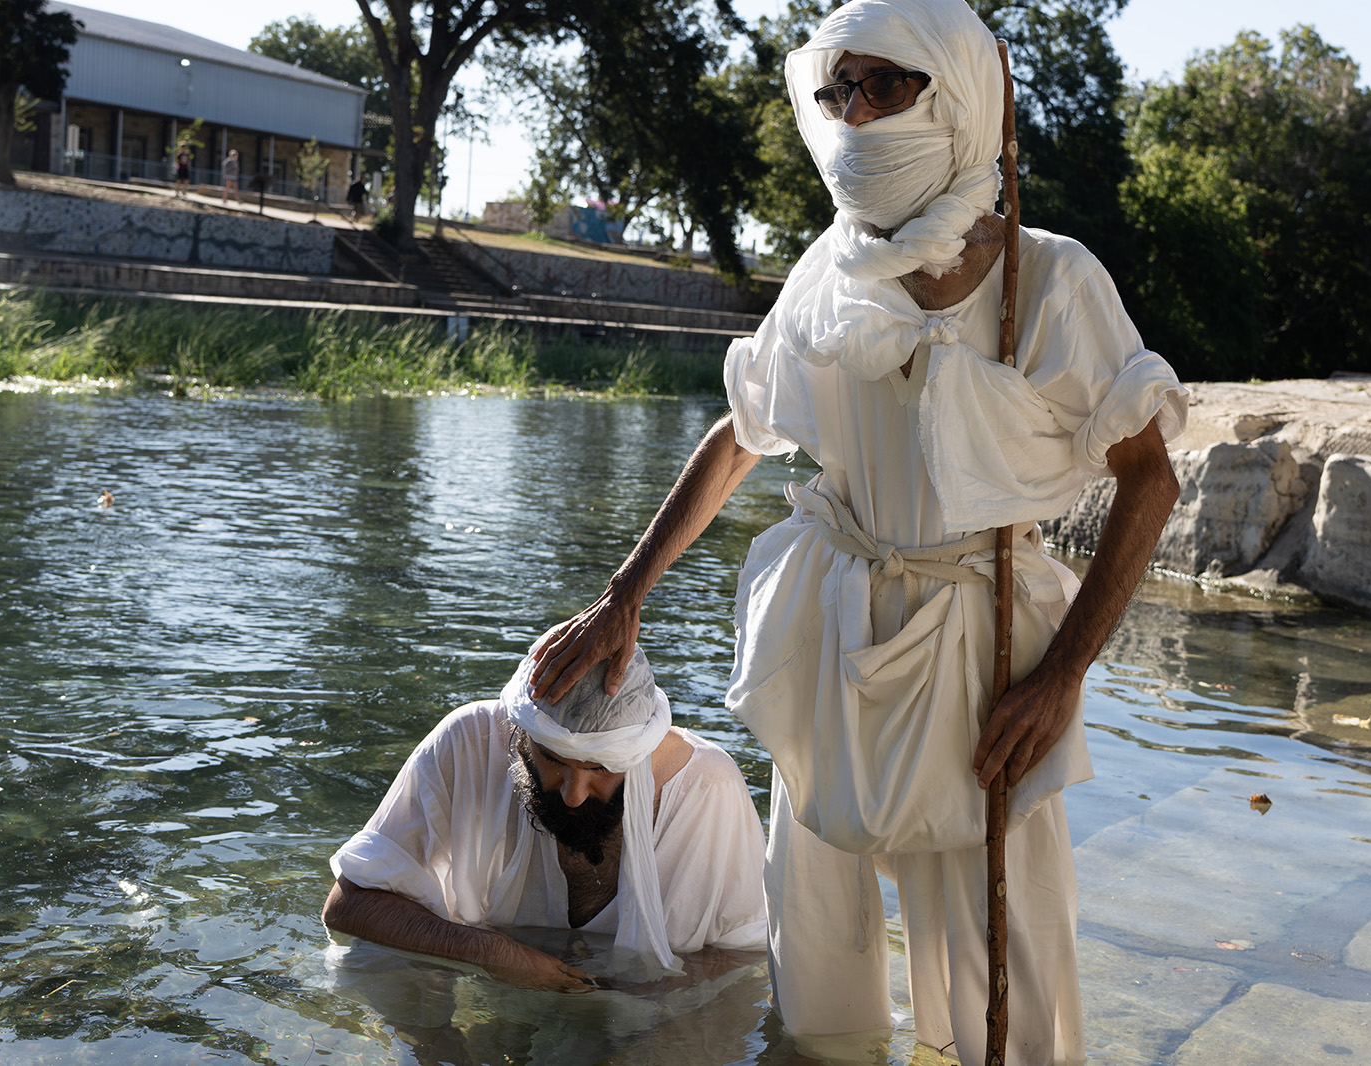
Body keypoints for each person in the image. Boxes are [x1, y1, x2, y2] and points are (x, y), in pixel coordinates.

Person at [529, 0, 1186, 1061]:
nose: (855, 112)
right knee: (814, 924)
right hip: (831, 625)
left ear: (962, 98)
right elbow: (744, 435)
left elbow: (1148, 479)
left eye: (886, 84)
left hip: (985, 656)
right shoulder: (830, 273)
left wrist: (1060, 676)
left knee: (999, 944)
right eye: (837, 92)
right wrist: (624, 594)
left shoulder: (1055, 281)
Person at [323, 638, 768, 990]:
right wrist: (493, 955)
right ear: (519, 733)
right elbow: (348, 906)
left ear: (640, 750)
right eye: (553, 761)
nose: (574, 795)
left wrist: (636, 1012)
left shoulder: (710, 787)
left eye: (600, 769)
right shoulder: (470, 742)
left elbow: (745, 956)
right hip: (492, 990)